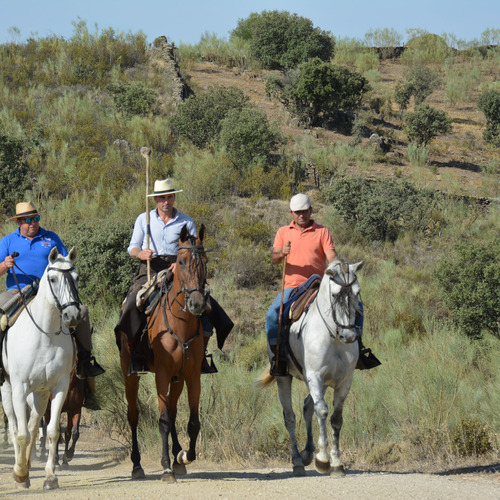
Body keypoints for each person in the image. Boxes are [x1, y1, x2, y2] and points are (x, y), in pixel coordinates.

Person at [115, 178, 233, 376]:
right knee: (133, 302)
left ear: (174, 197)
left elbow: (193, 250)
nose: (166, 201)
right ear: (155, 200)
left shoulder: (186, 221)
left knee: (206, 304)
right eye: (162, 197)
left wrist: (178, 264)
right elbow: (132, 247)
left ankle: (201, 354)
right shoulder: (143, 219)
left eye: (169, 196)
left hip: (180, 269)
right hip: (150, 269)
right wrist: (140, 254)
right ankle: (134, 353)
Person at [0, 201, 105, 409]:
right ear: (19, 222)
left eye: (36, 218)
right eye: (28, 220)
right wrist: (4, 265)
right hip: (17, 291)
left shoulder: (51, 238)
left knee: (82, 312)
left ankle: (84, 361)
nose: (33, 223)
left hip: (52, 293)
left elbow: (66, 261)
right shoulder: (7, 241)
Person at [266, 193, 380, 376]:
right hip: (292, 287)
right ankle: (277, 358)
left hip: (318, 285)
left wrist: (339, 268)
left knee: (356, 305)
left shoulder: (322, 231)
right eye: (297, 212)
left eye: (304, 211)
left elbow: (331, 256)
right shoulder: (283, 232)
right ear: (291, 213)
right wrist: (282, 254)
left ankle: (358, 348)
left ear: (311, 210)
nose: (301, 215)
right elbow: (273, 259)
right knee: (272, 316)